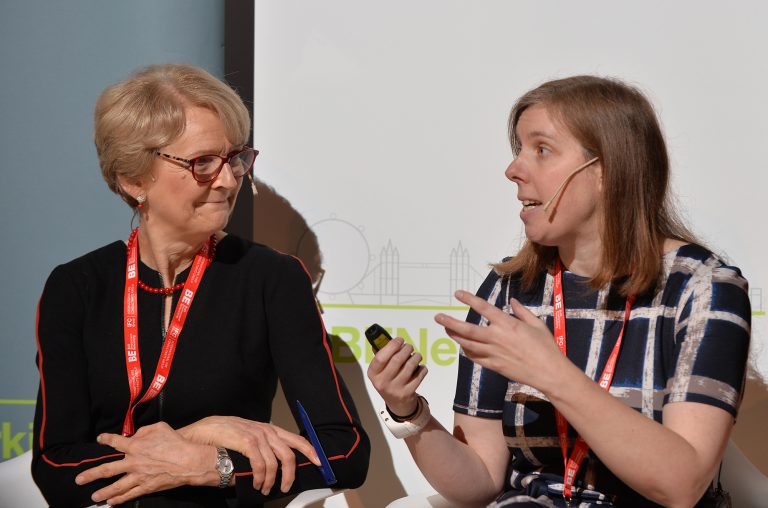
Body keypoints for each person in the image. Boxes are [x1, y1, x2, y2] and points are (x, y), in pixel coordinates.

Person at [368, 75, 750, 507]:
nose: (513, 170)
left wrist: (551, 373)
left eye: (541, 150)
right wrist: (409, 413)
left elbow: (681, 485)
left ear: (607, 170)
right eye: (518, 149)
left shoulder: (704, 290)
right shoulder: (508, 290)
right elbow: (479, 482)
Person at [33, 63, 370, 507]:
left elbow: (343, 453)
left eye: (234, 159)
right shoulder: (75, 288)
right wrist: (196, 434)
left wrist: (211, 466)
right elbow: (54, 466)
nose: (229, 180)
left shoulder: (273, 280)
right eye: (203, 163)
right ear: (134, 179)